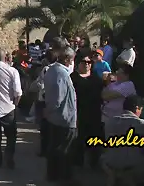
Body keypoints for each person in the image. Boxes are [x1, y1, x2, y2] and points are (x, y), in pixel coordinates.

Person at [100, 95, 144, 186]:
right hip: (130, 167)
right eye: (141, 109)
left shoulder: (109, 122)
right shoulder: (141, 124)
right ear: (137, 108)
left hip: (110, 163)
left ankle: (113, 177)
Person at [44, 45, 77, 183]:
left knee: (55, 146)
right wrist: (49, 110)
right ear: (67, 59)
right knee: (64, 149)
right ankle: (64, 177)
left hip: (56, 117)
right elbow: (57, 99)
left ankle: (53, 174)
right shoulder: (61, 73)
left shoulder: (52, 70)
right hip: (64, 117)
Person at [70, 51, 103, 169]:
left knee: (94, 139)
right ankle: (77, 163)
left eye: (89, 62)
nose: (87, 64)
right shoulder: (73, 78)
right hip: (78, 112)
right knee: (78, 139)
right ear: (78, 63)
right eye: (84, 62)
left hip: (94, 113)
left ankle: (94, 163)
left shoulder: (96, 78)